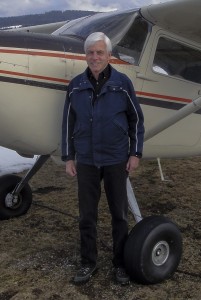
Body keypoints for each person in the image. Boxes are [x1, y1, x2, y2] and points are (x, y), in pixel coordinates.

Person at [61, 32, 144, 285]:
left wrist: (135, 153)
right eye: (90, 52)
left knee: (119, 214)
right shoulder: (75, 85)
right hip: (86, 159)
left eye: (100, 52)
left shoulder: (123, 83)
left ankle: (120, 264)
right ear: (85, 55)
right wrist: (68, 157)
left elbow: (136, 120)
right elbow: (67, 123)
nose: (95, 57)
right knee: (87, 215)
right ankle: (88, 262)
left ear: (109, 55)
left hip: (115, 158)